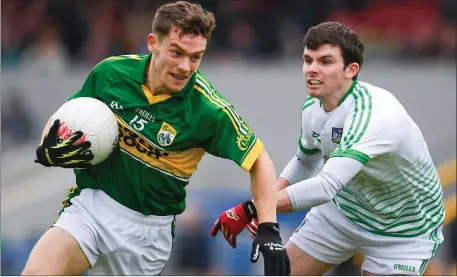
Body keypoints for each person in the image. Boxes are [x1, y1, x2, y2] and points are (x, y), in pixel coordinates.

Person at [23, 1, 290, 275]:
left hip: (147, 235)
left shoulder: (209, 111)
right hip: (92, 206)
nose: (185, 66)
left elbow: (260, 161)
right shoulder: (110, 74)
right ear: (153, 43)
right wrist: (48, 146)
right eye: (177, 52)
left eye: (195, 57)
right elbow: (64, 119)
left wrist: (268, 226)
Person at [211, 22, 445, 276]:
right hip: (342, 213)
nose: (312, 69)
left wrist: (252, 208)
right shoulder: (313, 107)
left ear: (351, 70)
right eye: (308, 60)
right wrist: (267, 205)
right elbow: (305, 162)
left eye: (325, 61)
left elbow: (325, 186)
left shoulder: (375, 115)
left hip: (403, 231)